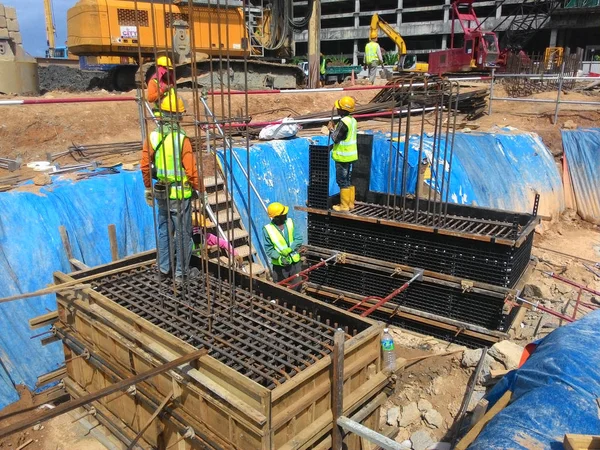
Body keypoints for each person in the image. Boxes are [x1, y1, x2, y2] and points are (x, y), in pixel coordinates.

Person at [140, 91, 205, 281]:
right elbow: (191, 170)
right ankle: (181, 274)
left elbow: (144, 165)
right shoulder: (181, 139)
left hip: (162, 193)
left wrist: (147, 188)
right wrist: (200, 190)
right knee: (183, 235)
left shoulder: (153, 137)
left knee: (164, 231)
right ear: (177, 116)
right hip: (180, 195)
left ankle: (163, 270)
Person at [327, 96, 358, 212]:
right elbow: (345, 137)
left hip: (343, 157)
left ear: (342, 110)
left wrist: (331, 129)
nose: (337, 110)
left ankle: (344, 206)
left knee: (342, 180)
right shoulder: (353, 121)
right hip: (351, 155)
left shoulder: (343, 122)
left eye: (339, 108)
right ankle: (350, 204)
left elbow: (335, 138)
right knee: (348, 179)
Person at [263, 202, 303, 289]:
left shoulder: (290, 222)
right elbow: (269, 249)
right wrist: (279, 258)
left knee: (296, 287)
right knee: (280, 288)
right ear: (277, 217)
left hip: (295, 263)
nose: (286, 214)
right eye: (284, 213)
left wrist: (290, 249)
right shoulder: (268, 229)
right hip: (279, 267)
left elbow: (299, 239)